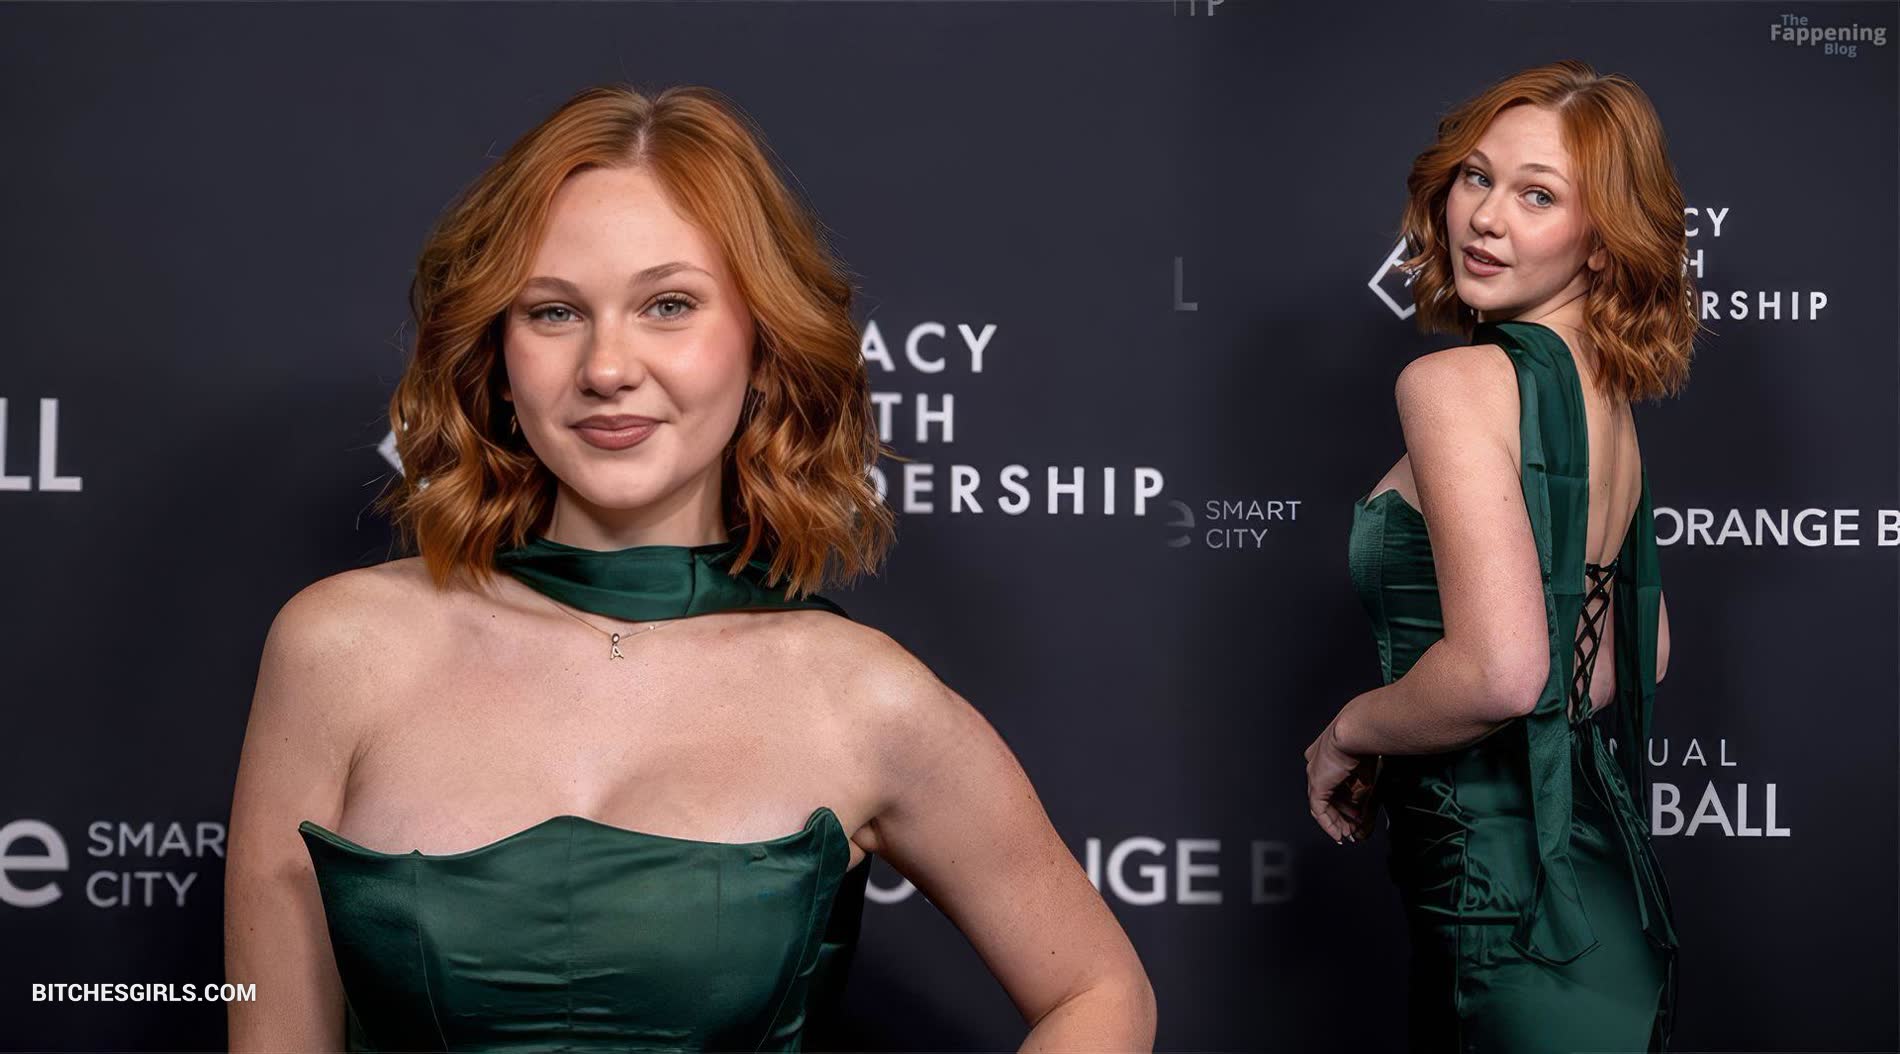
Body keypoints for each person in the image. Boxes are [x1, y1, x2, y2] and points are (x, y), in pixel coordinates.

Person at [224, 83, 1156, 1052]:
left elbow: (1098, 991)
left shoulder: (861, 699)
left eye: (668, 305)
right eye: (553, 311)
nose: (607, 367)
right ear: (497, 352)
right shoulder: (340, 652)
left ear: (761, 338)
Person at [1305, 60, 1698, 1051]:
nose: (1484, 218)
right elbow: (1632, 654)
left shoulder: (1454, 385)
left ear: (1602, 241)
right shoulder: (1602, 397)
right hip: (1597, 902)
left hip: (1507, 917)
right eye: (1476, 177)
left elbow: (1503, 672)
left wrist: (1351, 732)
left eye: (1538, 196)